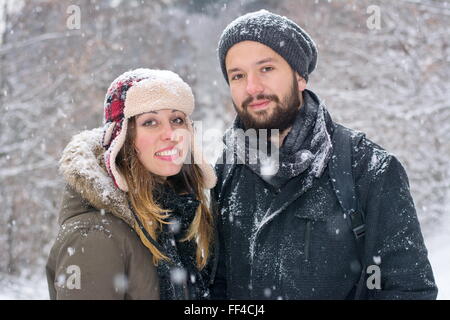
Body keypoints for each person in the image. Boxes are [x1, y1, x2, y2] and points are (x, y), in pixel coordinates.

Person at [210, 9, 437, 300]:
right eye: (238, 75)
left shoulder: (369, 168)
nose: (252, 87)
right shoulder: (227, 171)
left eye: (266, 68)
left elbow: (409, 291)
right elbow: (217, 285)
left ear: (300, 76)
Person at [46, 68, 217, 299]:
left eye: (177, 120)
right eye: (150, 122)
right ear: (123, 138)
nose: (171, 133)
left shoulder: (175, 215)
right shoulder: (94, 235)